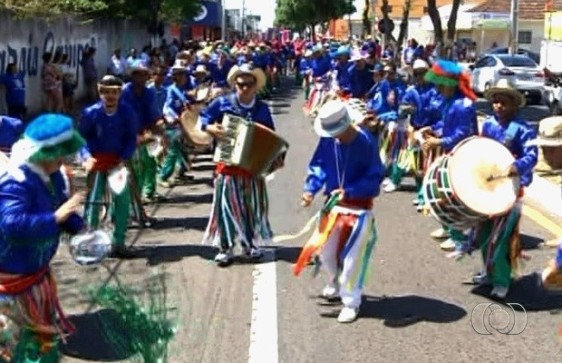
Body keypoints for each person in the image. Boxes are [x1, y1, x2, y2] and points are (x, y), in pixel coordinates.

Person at [0, 113, 85, 362]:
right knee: (9, 349)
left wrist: (79, 227)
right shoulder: (16, 182)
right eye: (59, 154)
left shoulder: (54, 177)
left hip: (36, 277)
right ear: (44, 153)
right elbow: (11, 225)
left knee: (42, 346)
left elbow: (60, 207)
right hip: (11, 285)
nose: (63, 159)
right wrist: (56, 218)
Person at [294, 99, 385, 323]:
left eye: (339, 131)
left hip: (359, 209)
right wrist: (310, 189)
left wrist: (352, 191)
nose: (336, 137)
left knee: (353, 256)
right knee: (325, 251)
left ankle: (351, 301)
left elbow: (375, 176)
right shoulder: (328, 141)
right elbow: (318, 166)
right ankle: (335, 279)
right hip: (333, 206)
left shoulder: (366, 141)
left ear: (348, 124)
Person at [199, 63, 280, 266]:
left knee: (250, 208)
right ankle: (225, 247)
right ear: (235, 84)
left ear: (255, 86)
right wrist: (211, 128)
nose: (245, 88)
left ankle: (249, 243)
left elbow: (270, 135)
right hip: (227, 165)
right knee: (225, 209)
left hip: (251, 168)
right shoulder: (222, 103)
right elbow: (204, 118)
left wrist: (274, 157)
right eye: (241, 84)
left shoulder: (261, 108)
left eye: (249, 84)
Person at [470, 79, 538, 299]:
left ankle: (502, 280)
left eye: (503, 102)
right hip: (488, 186)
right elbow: (481, 149)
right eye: (495, 101)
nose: (498, 106)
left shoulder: (523, 129)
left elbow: (532, 156)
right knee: (483, 234)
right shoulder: (489, 124)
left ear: (514, 104)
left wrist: (516, 166)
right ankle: (489, 272)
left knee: (500, 238)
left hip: (509, 190)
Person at [418, 59, 478, 251]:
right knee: (441, 192)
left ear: (449, 85)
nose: (436, 88)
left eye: (439, 84)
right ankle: (447, 227)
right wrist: (433, 128)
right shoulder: (450, 102)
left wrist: (439, 141)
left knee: (453, 196)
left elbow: (463, 133)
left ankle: (458, 236)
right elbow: (447, 125)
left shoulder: (464, 105)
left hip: (460, 155)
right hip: (449, 152)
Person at [78, 75, 140, 258]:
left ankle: (118, 242)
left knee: (122, 200)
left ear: (120, 93)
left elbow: (131, 138)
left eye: (114, 92)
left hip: (117, 162)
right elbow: (81, 138)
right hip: (96, 161)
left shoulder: (127, 112)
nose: (110, 96)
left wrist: (124, 157)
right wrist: (86, 157)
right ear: (100, 92)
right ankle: (91, 242)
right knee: (93, 202)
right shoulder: (91, 113)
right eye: (107, 92)